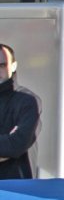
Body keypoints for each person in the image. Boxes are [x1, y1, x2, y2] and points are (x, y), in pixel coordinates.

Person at [0, 43, 41, 180]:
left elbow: (16, 145)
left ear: (13, 66)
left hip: (16, 187)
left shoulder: (27, 100)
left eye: (2, 65)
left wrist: (10, 146)